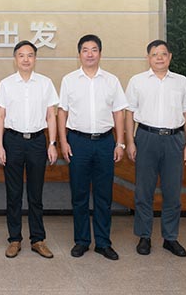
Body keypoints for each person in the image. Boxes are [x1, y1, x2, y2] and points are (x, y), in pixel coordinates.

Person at [125, 39, 186, 257]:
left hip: (174, 140)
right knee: (143, 191)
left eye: (163, 54)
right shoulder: (137, 81)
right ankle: (144, 236)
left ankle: (170, 238)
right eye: (155, 54)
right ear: (148, 58)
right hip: (146, 137)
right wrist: (130, 141)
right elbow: (129, 114)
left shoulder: (182, 82)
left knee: (172, 192)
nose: (159, 58)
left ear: (170, 57)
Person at [58, 34, 128, 261]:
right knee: (79, 194)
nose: (90, 54)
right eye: (85, 50)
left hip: (105, 142)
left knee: (103, 195)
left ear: (100, 53)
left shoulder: (111, 81)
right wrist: (63, 141)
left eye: (94, 50)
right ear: (79, 54)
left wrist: (120, 142)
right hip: (78, 142)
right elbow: (62, 112)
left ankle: (103, 242)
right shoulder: (69, 80)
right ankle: (81, 241)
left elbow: (119, 112)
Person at [0, 40, 59, 259]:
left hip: (38, 141)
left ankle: (38, 239)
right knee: (13, 194)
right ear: (15, 59)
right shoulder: (6, 84)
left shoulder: (45, 83)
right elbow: (0, 116)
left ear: (35, 59)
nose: (26, 59)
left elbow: (51, 115)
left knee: (35, 193)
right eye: (21, 55)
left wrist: (52, 143)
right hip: (12, 141)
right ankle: (14, 239)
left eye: (30, 55)